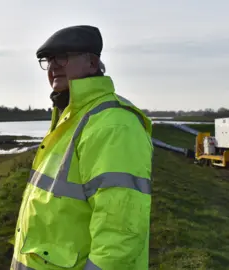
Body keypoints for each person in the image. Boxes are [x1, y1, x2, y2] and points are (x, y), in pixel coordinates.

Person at [10, 25, 154, 270]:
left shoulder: (114, 125)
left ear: (92, 63)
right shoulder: (69, 118)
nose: (54, 65)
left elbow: (120, 233)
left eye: (63, 57)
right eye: (48, 59)